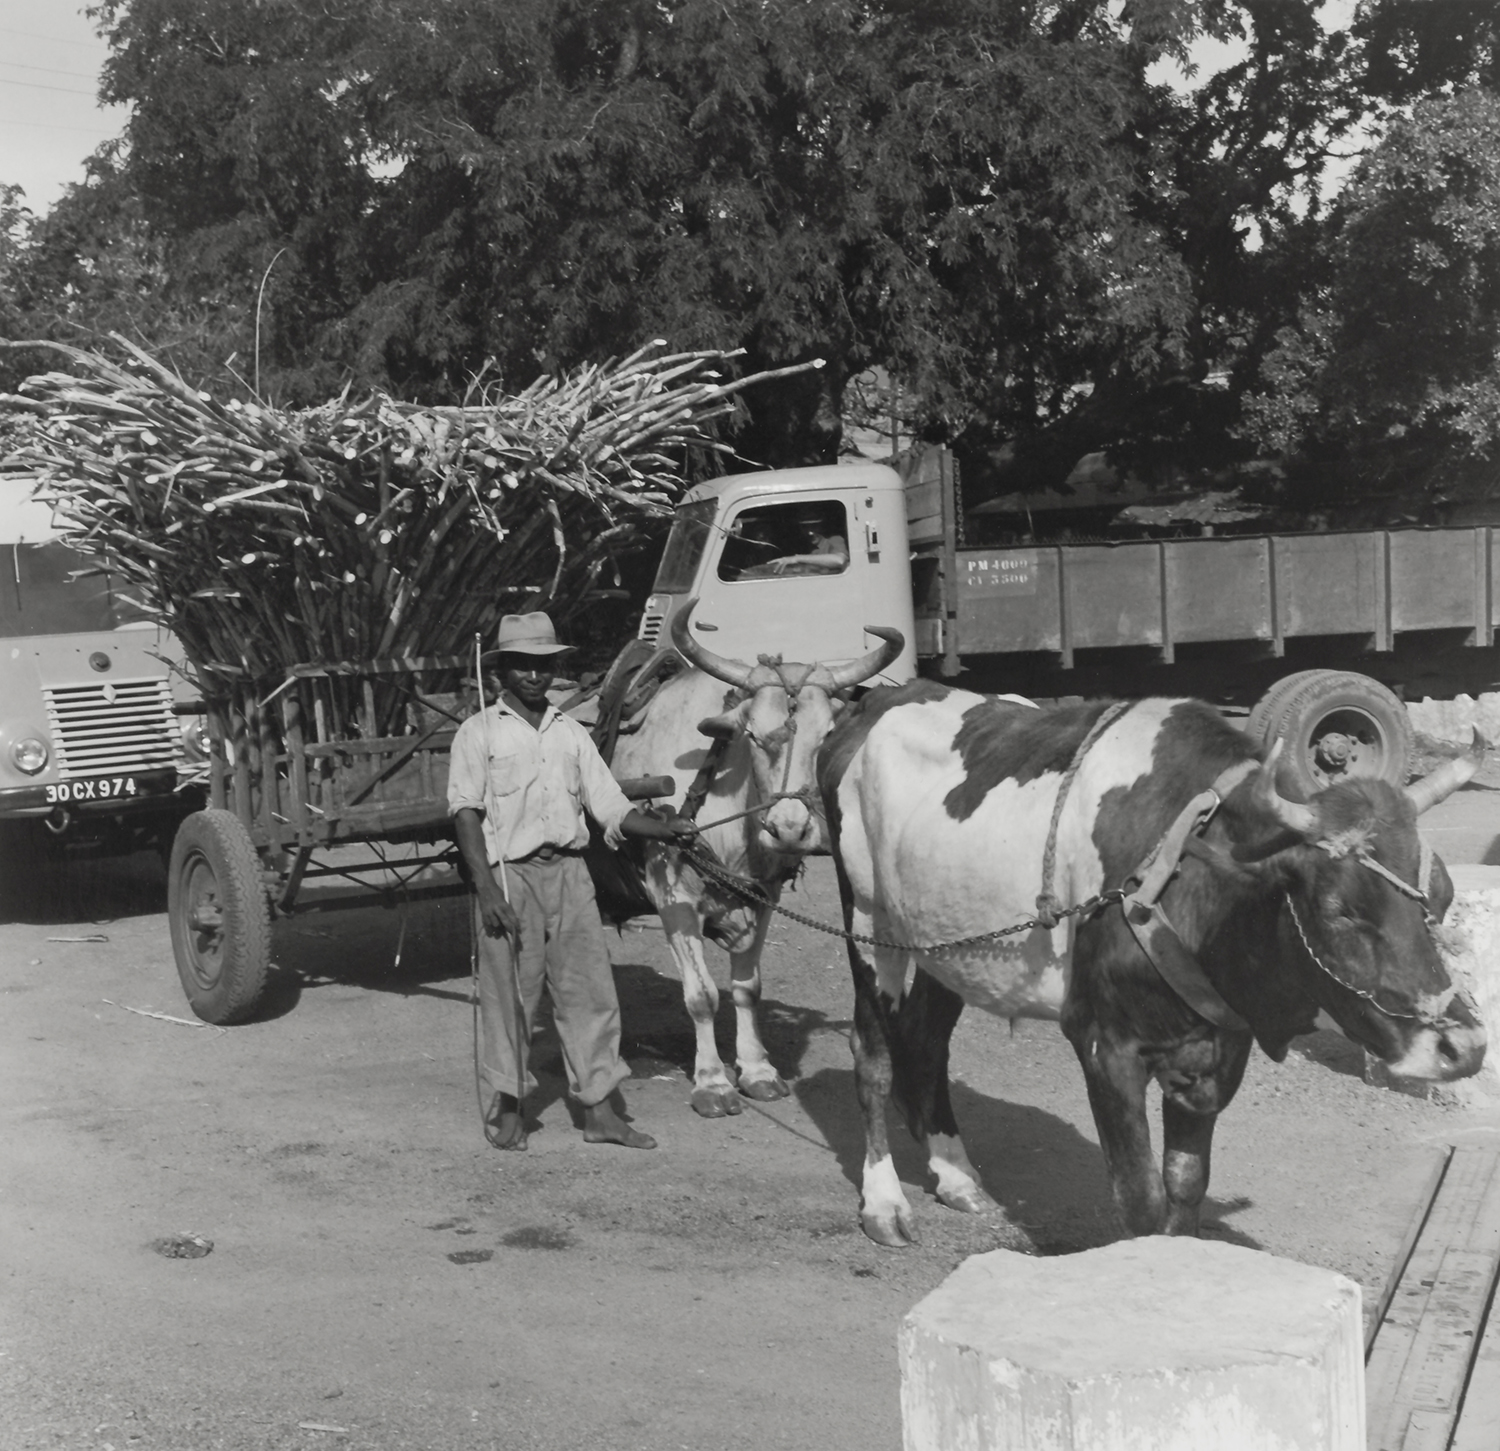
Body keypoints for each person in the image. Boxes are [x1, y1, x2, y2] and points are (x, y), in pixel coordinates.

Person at [448, 611, 698, 1151]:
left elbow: (608, 804)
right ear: (502, 672)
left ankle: (601, 1112)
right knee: (511, 998)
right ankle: (510, 1108)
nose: (535, 676)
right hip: (510, 880)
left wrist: (662, 828)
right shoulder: (479, 733)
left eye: (544, 665)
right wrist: (487, 890)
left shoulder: (570, 734)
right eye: (523, 666)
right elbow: (466, 813)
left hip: (570, 876)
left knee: (589, 994)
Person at [764, 509, 849, 576]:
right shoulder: (798, 545)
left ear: (821, 526)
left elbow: (839, 560)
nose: (810, 532)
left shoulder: (834, 540)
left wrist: (797, 558)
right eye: (805, 527)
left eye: (814, 526)